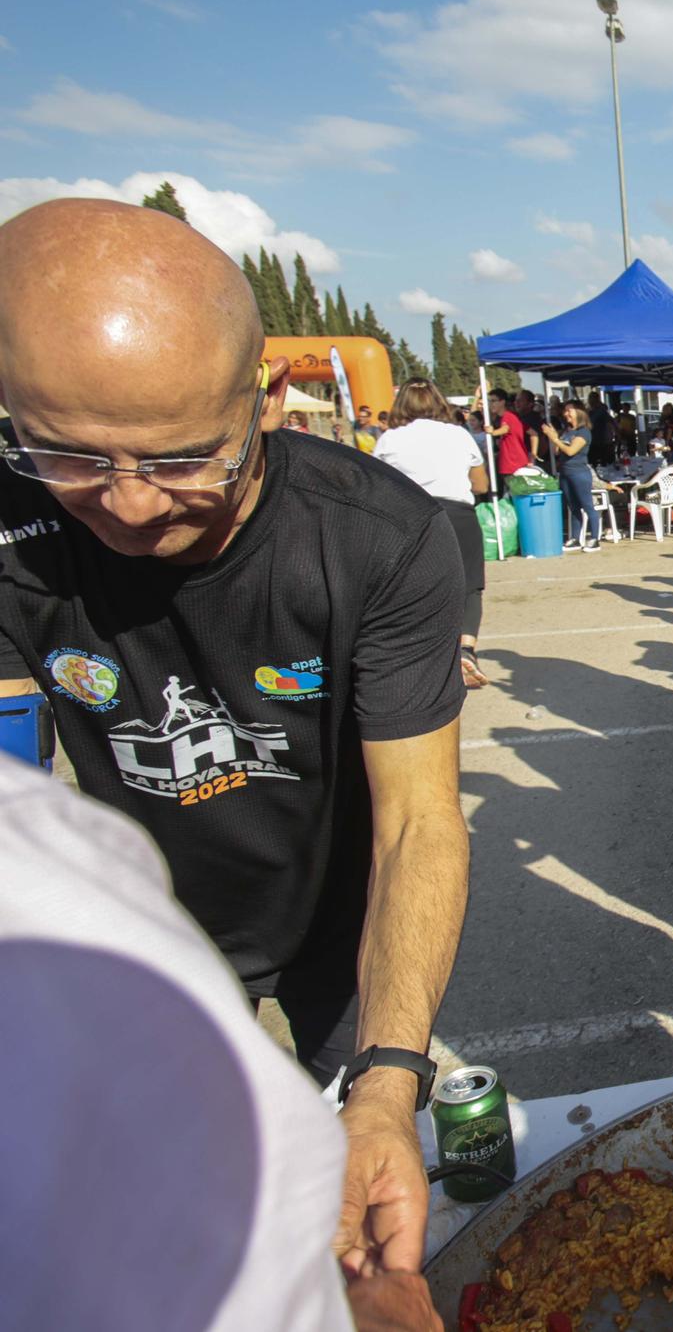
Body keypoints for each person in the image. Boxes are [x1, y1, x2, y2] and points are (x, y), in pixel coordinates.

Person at [0, 199, 469, 1282]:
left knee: (359, 1208)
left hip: (336, 926)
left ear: (265, 399)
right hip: (142, 930)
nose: (123, 505)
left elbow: (417, 821)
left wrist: (387, 1083)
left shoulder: (376, 537)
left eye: (178, 459)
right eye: (66, 454)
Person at [1, 757, 444, 1331]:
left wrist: (384, 1091)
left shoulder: (35, 840)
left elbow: (419, 819)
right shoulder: (38, 869)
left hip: (327, 940)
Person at [372, 378, 497, 687]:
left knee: (412, 586)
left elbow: (374, 486)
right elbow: (481, 485)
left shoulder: (389, 439)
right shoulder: (458, 434)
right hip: (457, 513)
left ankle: (424, 654)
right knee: (469, 586)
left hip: (409, 515)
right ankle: (466, 650)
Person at [544, 399, 601, 552]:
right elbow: (557, 451)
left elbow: (570, 451)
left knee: (587, 506)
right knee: (573, 507)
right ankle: (575, 538)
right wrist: (555, 437)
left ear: (579, 412)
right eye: (565, 410)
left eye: (570, 410)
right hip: (565, 472)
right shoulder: (568, 431)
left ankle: (595, 538)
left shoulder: (584, 432)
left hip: (579, 473)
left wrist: (555, 438)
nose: (566, 413)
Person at [487, 387, 530, 478]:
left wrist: (493, 432)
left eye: (493, 401)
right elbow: (533, 433)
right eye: (489, 401)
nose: (491, 404)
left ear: (502, 402)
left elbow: (505, 429)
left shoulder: (508, 416)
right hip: (514, 462)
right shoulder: (511, 417)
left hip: (512, 464)